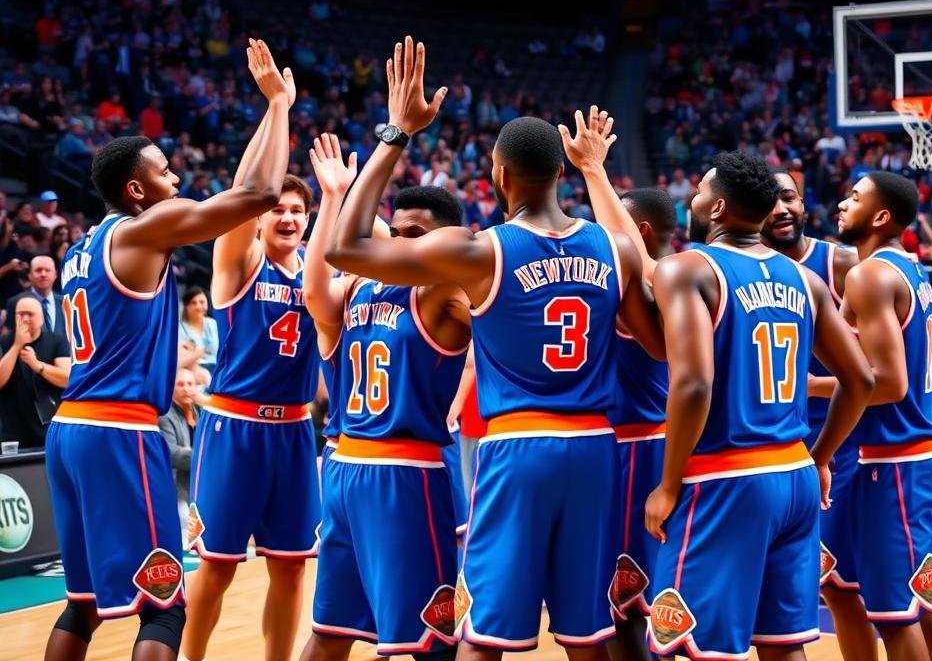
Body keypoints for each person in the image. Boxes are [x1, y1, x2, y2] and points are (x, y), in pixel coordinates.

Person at [325, 37, 663, 659]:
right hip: (595, 449)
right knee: (588, 635)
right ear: (561, 173)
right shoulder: (614, 248)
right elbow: (657, 342)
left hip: (517, 451)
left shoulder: (480, 251)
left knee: (484, 637)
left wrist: (396, 132)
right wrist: (598, 173)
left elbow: (343, 248)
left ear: (497, 175)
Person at [42, 38, 293, 661]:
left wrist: (271, 111)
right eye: (163, 171)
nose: (176, 178)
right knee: (164, 607)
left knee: (84, 604)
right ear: (135, 189)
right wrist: (279, 106)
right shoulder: (143, 230)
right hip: (118, 433)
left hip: (70, 428)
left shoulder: (84, 247)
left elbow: (241, 197)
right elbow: (258, 197)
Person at [643, 152, 873, 660]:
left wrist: (667, 483)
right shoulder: (805, 281)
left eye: (699, 191)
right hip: (795, 476)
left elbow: (694, 385)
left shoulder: (688, 268)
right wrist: (821, 456)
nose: (692, 199)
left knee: (693, 647)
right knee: (783, 644)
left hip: (725, 480)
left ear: (718, 207)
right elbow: (859, 379)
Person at [299, 133, 470, 661]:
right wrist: (330, 199)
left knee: (334, 634)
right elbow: (314, 293)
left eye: (414, 234)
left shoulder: (437, 285)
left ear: (449, 241)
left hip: (355, 467)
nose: (397, 242)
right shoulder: (362, 284)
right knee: (420, 641)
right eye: (394, 232)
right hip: (396, 476)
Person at [182, 86, 319, 661]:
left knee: (291, 572)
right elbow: (244, 195)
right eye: (276, 209)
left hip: (294, 431)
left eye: (296, 210)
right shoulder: (239, 262)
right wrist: (279, 109)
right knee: (217, 568)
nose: (285, 216)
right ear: (260, 221)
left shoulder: (321, 273)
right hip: (234, 429)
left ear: (309, 221)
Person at [833, 171, 932, 660]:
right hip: (920, 452)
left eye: (855, 197)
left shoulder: (869, 275)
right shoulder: (909, 269)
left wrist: (809, 386)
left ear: (882, 216)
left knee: (896, 614)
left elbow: (889, 382)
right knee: (924, 604)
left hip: (899, 460)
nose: (843, 205)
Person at [560, 107, 674, 658]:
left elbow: (635, 261)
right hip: (625, 446)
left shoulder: (664, 281)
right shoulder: (674, 277)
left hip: (637, 446)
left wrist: (594, 172)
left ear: (639, 232)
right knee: (623, 602)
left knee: (629, 604)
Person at [760, 170, 873, 659]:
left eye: (789, 198)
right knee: (777, 592)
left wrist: (812, 385)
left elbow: (875, 371)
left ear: (804, 202)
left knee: (838, 587)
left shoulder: (841, 262)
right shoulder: (737, 266)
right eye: (769, 201)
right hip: (767, 446)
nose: (781, 209)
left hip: (836, 444)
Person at [0, 295, 69, 447]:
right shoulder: (4, 342)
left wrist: (38, 365)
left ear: (42, 318)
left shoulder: (56, 341)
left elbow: (67, 379)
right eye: (20, 314)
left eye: (30, 314)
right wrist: (16, 346)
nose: (24, 319)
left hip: (49, 424)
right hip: (13, 429)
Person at [158, 367, 200, 546]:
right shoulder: (165, 415)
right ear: (171, 388)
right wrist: (205, 456)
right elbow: (172, 453)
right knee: (188, 541)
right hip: (176, 489)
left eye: (190, 384)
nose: (186, 388)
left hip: (199, 485)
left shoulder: (200, 412)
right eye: (180, 384)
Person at [4, 255, 64, 339]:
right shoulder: (15, 302)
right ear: (29, 275)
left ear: (55, 274)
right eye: (38, 270)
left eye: (47, 270)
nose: (43, 274)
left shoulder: (65, 303)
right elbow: (6, 339)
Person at [177, 286, 218, 388]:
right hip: (192, 369)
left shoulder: (212, 324)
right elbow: (181, 359)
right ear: (186, 306)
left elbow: (215, 350)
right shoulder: (179, 328)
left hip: (215, 367)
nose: (199, 306)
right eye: (194, 303)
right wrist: (199, 353)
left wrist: (195, 352)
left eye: (202, 302)